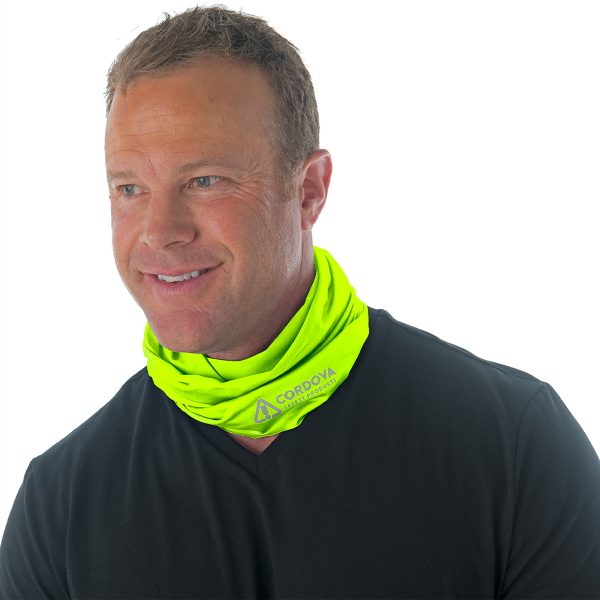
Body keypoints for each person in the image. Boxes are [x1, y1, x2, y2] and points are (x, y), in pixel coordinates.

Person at [1, 6, 599, 599]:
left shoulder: (516, 446)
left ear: (309, 191)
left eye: (205, 180)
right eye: (129, 188)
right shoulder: (61, 503)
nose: (160, 233)